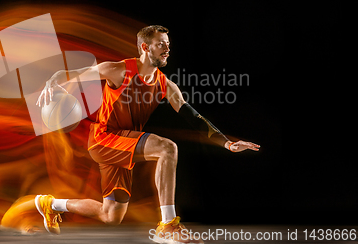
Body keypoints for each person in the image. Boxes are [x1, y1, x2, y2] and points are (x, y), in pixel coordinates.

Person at [22, 25, 259, 243]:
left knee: (111, 215)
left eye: (168, 44)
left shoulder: (166, 85)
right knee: (167, 148)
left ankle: (52, 204)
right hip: (104, 138)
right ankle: (168, 225)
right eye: (161, 44)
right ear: (145, 47)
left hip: (122, 143)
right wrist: (53, 81)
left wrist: (226, 143)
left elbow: (193, 118)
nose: (168, 48)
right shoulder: (117, 70)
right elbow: (72, 73)